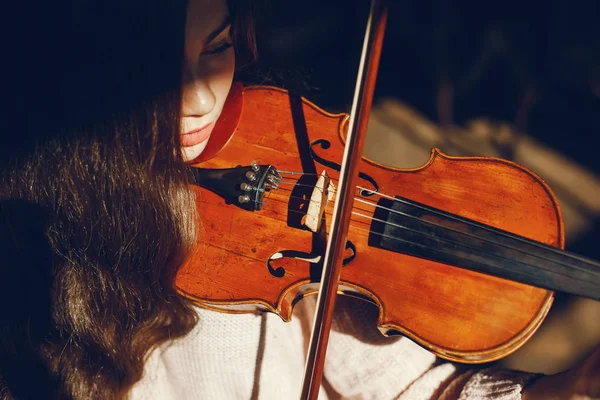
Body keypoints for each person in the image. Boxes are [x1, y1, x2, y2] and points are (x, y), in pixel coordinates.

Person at [0, 0, 598, 399]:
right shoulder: (28, 240)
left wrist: (563, 389)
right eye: (158, 72)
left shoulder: (281, 152)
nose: (205, 100)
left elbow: (399, 385)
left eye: (217, 48)